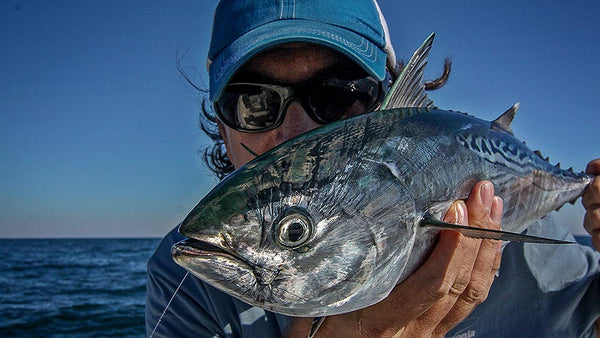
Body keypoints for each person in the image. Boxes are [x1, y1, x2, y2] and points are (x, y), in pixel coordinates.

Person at [146, 1, 600, 337]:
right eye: (254, 103)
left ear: (386, 102)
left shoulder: (532, 237)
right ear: (221, 125)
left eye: (339, 94)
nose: (295, 131)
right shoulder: (190, 281)